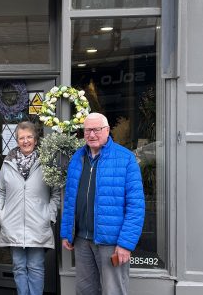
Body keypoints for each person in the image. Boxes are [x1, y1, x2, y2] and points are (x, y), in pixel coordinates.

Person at [60, 113, 145, 295]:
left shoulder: (125, 159)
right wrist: (67, 232)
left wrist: (125, 244)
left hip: (111, 242)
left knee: (113, 291)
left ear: (107, 130)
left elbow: (136, 207)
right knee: (85, 291)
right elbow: (70, 198)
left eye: (96, 130)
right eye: (87, 130)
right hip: (82, 240)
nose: (91, 134)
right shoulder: (77, 158)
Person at [0, 121, 60, 295]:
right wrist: (0, 214)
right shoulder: (8, 163)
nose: (25, 141)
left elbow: (55, 193)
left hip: (38, 224)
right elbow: (1, 191)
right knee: (18, 267)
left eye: (29, 137)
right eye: (21, 138)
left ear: (35, 140)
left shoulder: (46, 162)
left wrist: (50, 215)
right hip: (13, 225)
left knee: (36, 267)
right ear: (17, 141)